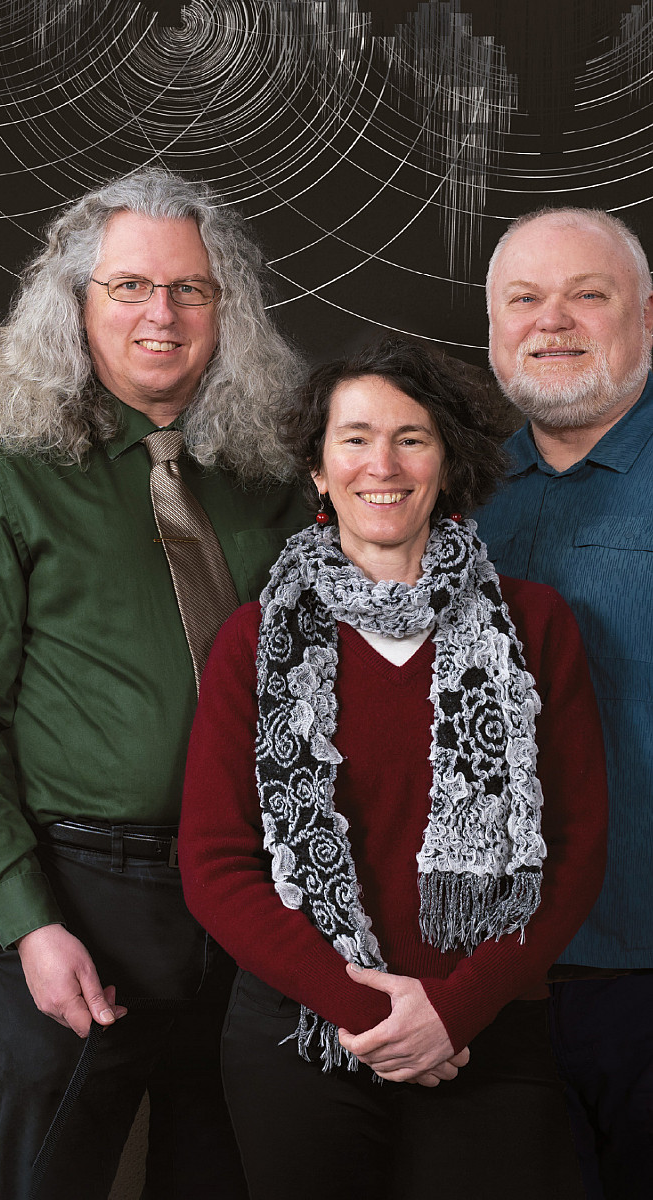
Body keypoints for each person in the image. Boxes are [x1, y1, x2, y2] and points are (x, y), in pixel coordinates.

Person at [0, 168, 308, 1199]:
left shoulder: (264, 475)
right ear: (76, 305)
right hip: (80, 895)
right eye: (128, 286)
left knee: (222, 1174)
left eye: (190, 289)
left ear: (228, 312)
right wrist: (25, 918)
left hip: (248, 900)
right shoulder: (1, 470)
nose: (161, 315)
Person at [178, 334, 608, 1200]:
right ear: (317, 468)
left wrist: (450, 1010)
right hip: (300, 1036)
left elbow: (574, 852)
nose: (384, 464)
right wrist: (376, 1014)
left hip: (482, 1033)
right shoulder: (256, 640)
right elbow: (215, 865)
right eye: (355, 437)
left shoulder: (536, 626)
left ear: (448, 462)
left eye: (412, 438)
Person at [478, 206, 653, 1199]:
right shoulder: (448, 495)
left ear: (648, 317)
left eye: (589, 294)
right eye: (525, 300)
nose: (556, 321)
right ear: (495, 327)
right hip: (499, 980)